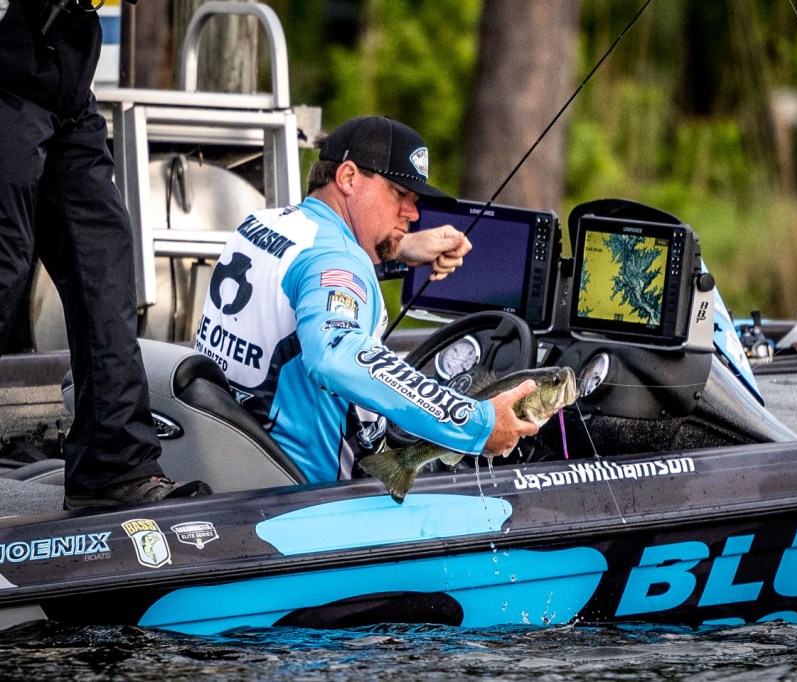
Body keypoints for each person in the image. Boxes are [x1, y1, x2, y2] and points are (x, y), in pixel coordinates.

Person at [196, 115, 540, 481]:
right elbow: (336, 356)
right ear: (348, 177)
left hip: (230, 462)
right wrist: (473, 421)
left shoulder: (262, 224)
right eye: (399, 194)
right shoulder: (337, 259)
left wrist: (401, 249)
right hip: (306, 495)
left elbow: (312, 273)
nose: (413, 213)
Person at [0, 0, 210, 509]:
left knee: (103, 258)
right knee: (5, 262)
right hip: (8, 56)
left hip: (63, 69)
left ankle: (112, 467)